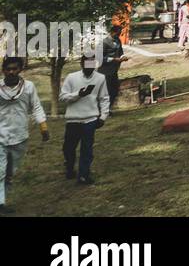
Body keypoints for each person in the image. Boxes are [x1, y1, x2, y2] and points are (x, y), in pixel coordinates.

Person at [0, 57, 49, 214]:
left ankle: (3, 198)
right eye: (8, 69)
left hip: (20, 136)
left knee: (10, 172)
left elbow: (36, 107)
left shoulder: (28, 87)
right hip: (0, 135)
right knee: (0, 171)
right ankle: (0, 203)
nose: (11, 71)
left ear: (20, 69)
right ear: (3, 71)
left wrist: (43, 127)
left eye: (15, 68)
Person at [60, 51, 110, 183]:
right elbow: (63, 97)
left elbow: (104, 98)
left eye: (92, 64)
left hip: (90, 119)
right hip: (73, 119)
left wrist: (103, 116)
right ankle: (70, 167)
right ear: (81, 64)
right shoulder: (72, 77)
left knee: (86, 149)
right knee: (68, 148)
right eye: (86, 64)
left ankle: (83, 175)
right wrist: (78, 94)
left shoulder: (100, 78)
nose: (89, 67)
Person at [99, 24, 128, 107]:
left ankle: (108, 108)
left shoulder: (118, 40)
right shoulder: (104, 42)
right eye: (117, 33)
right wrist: (113, 59)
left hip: (114, 70)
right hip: (104, 71)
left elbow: (120, 52)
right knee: (106, 91)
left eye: (120, 33)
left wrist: (123, 57)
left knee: (115, 90)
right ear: (112, 32)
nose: (119, 35)